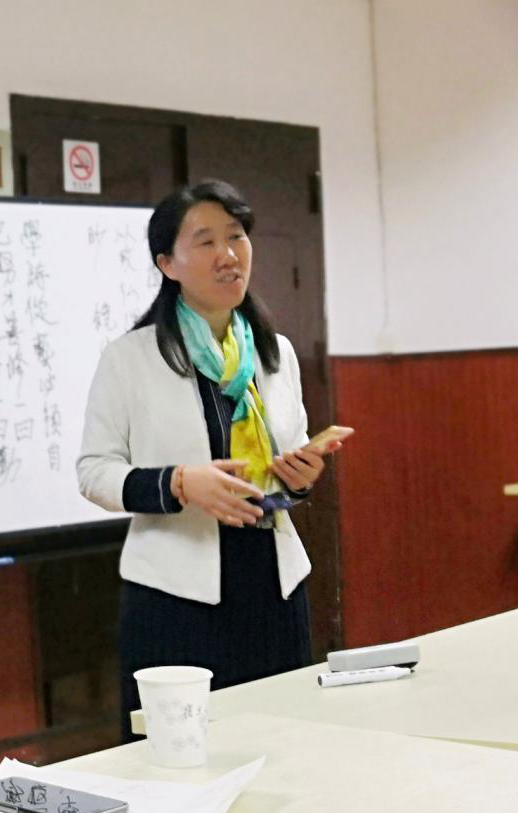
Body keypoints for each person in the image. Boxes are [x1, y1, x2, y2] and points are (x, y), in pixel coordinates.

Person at [77, 179, 345, 723]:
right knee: (179, 749)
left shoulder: (274, 353)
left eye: (237, 236)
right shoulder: (130, 358)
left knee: (285, 738)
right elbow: (94, 471)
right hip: (176, 594)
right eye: (206, 242)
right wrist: (178, 483)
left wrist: (299, 476)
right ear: (167, 263)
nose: (228, 255)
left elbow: (288, 458)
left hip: (273, 584)